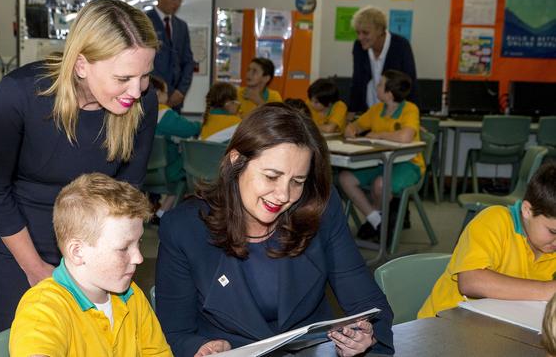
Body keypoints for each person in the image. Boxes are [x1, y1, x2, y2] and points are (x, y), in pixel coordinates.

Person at [0, 0, 159, 338]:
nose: (137, 90)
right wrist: (35, 267)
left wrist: (102, 261)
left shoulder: (142, 101)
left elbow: (129, 190)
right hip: (12, 245)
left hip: (90, 251)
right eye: (124, 77)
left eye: (145, 75)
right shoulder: (19, 94)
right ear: (82, 65)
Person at [156, 103, 394, 357]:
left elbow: (367, 302)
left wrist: (363, 336)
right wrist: (200, 348)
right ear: (236, 162)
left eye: (297, 181)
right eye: (271, 176)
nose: (283, 195)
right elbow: (175, 333)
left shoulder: (317, 208)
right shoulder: (184, 227)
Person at [9, 173, 172, 356]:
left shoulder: (132, 296)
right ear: (77, 251)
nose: (139, 258)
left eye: (138, 242)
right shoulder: (44, 307)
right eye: (124, 248)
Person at [418, 162, 556, 319]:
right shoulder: (494, 221)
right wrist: (547, 290)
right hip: (443, 325)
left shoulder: (547, 243)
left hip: (503, 327)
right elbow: (471, 282)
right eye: (552, 231)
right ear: (527, 210)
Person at [338, 70, 424, 241]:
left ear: (389, 93)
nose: (376, 87)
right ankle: (377, 221)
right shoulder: (377, 109)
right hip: (379, 162)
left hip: (409, 164)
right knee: (345, 178)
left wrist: (378, 135)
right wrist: (351, 129)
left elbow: (406, 136)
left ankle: (378, 224)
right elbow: (355, 126)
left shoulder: (409, 109)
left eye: (380, 84)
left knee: (380, 184)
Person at [348, 5, 417, 115]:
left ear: (380, 30)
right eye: (358, 32)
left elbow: (409, 84)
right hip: (367, 112)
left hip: (394, 112)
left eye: (365, 33)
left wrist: (411, 115)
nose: (360, 37)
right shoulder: (358, 47)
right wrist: (352, 110)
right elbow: (357, 81)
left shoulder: (401, 46)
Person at [150, 75, 201, 219]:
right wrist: (201, 125)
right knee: (188, 170)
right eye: (166, 93)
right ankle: (166, 214)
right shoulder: (163, 113)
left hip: (144, 170)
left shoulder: (138, 111)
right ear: (159, 93)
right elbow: (188, 129)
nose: (168, 97)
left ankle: (161, 212)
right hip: (165, 170)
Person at [146, 0, 194, 112]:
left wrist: (181, 91)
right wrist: (163, 90)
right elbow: (141, 61)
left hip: (176, 100)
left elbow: (188, 62)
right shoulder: (144, 21)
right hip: (152, 96)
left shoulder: (181, 26)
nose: (177, 3)